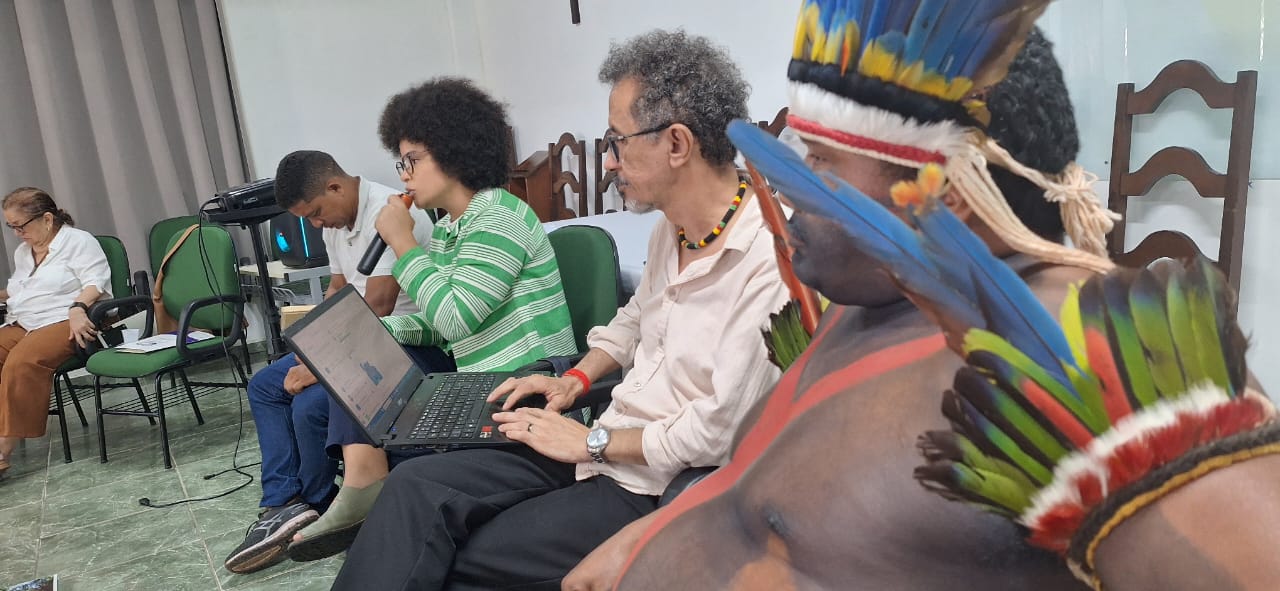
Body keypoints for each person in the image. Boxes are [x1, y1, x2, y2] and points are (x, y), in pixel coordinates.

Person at [564, 12, 1128, 591]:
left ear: (946, 194)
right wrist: (646, 538)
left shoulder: (1061, 376)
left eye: (820, 161)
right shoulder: (870, 303)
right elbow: (742, 478)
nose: (789, 188)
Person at [331, 30, 790, 590]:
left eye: (617, 142)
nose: (610, 161)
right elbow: (632, 321)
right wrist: (573, 380)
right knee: (415, 488)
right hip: (606, 443)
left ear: (676, 144)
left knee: (458, 557)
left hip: (655, 481)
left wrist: (591, 442)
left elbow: (718, 432)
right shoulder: (672, 230)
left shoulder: (770, 260)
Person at [285, 77, 580, 562]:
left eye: (411, 160)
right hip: (483, 390)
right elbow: (435, 323)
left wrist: (403, 244)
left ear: (453, 150)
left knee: (402, 470)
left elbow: (456, 317)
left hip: (526, 397)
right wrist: (366, 333)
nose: (403, 175)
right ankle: (360, 483)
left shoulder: (500, 216)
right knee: (359, 370)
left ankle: (365, 489)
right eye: (400, 163)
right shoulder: (448, 231)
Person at [223, 150, 433, 574]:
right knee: (265, 385)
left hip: (400, 343)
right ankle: (283, 503)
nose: (317, 225)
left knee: (307, 404)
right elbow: (338, 288)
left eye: (316, 213)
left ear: (336, 187)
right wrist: (312, 347)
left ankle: (316, 504)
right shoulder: (336, 223)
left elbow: (378, 307)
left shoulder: (389, 212)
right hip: (354, 340)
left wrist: (321, 365)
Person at [0, 187, 110, 477]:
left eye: (20, 226)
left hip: (65, 320)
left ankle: (2, 450)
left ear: (47, 219)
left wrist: (77, 308)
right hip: (25, 321)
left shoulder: (78, 241)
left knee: (22, 363)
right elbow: (18, 291)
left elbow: (95, 283)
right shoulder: (24, 252)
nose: (17, 233)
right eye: (11, 227)